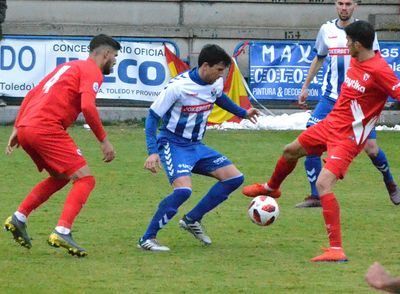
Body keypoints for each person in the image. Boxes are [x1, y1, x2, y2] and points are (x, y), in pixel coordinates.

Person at [243, 20, 400, 262]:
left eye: (348, 41)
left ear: (358, 44)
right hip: (330, 124)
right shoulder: (358, 60)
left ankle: (336, 249)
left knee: (323, 184)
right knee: (290, 151)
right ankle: (272, 188)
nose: (345, 44)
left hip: (348, 137)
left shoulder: (380, 70)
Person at [4, 34, 120, 257]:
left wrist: (18, 127)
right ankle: (62, 230)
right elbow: (87, 107)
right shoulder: (92, 71)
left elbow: (31, 94)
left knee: (61, 177)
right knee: (86, 179)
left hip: (29, 127)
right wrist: (104, 140)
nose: (114, 61)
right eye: (114, 56)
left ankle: (19, 218)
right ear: (105, 54)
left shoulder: (68, 66)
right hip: (46, 128)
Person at [137, 44, 259, 251]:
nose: (222, 75)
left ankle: (192, 219)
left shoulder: (215, 83)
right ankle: (147, 238)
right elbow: (152, 118)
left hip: (196, 146)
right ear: (205, 66)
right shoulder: (178, 87)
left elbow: (219, 97)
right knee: (183, 191)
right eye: (219, 70)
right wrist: (152, 152)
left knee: (234, 178)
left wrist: (243, 112)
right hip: (173, 144)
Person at [296, 0, 399, 208]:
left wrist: (379, 95)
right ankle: (316, 195)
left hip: (358, 104)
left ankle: (390, 181)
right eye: (340, 3)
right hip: (331, 98)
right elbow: (319, 57)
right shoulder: (326, 29)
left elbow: (376, 62)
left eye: (348, 4)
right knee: (309, 142)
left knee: (371, 149)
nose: (344, 8)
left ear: (355, 6)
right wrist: (305, 86)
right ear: (335, 5)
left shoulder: (364, 31)